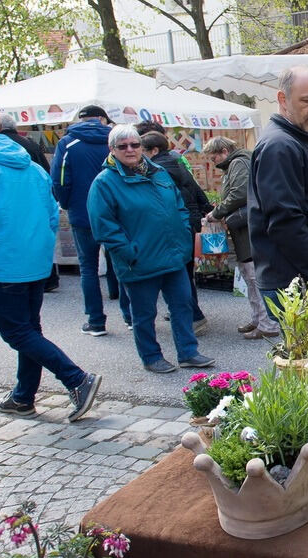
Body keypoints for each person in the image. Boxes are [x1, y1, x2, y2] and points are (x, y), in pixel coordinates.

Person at [0, 103, 101, 422]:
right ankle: (23, 397)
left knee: (18, 333)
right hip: (34, 262)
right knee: (29, 329)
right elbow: (52, 215)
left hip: (0, 264)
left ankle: (76, 379)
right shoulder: (31, 167)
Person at [87, 124, 214, 374]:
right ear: (112, 150)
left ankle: (188, 352)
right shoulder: (105, 183)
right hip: (140, 260)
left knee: (182, 305)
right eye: (123, 146)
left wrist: (183, 237)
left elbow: (178, 205)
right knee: (144, 314)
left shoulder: (158, 173)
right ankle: (151, 356)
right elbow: (104, 227)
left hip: (173, 255)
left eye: (135, 145)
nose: (130, 150)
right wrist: (129, 252)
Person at [248, 65, 308, 341]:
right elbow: (285, 221)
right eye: (307, 100)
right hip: (297, 283)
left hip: (302, 278)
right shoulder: (281, 146)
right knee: (307, 368)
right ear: (282, 99)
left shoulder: (295, 140)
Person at [49, 104, 127, 334]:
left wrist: (67, 204)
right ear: (103, 119)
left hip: (82, 213)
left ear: (80, 119)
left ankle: (96, 321)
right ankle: (131, 316)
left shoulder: (68, 143)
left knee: (88, 268)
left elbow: (60, 181)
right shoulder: (117, 140)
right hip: (117, 213)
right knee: (121, 263)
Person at [201, 136, 278, 339]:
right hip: (247, 228)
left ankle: (266, 323)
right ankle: (259, 319)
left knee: (254, 277)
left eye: (214, 156)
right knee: (250, 275)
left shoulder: (238, 162)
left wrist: (217, 213)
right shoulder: (240, 161)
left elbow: (239, 193)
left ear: (224, 150)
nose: (214, 162)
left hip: (249, 229)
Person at [140, 130, 210, 333]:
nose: (139, 154)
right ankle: (189, 314)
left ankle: (194, 316)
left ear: (154, 150)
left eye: (142, 150)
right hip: (191, 222)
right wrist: (205, 211)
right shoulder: (178, 163)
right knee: (186, 273)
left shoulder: (156, 170)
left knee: (178, 275)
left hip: (176, 227)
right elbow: (197, 191)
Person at [0, 113, 59, 292]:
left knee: (19, 240)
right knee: (40, 237)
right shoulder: (30, 143)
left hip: (12, 201)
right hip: (38, 198)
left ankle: (24, 279)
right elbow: (46, 172)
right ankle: (48, 278)